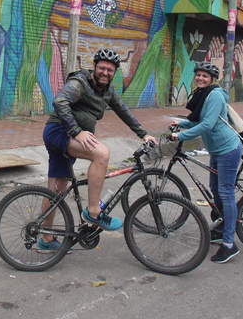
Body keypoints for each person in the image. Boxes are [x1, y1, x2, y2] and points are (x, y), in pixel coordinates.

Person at [39, 48, 157, 251]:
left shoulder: (107, 89)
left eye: (110, 70)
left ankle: (45, 238)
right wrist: (76, 131)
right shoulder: (81, 82)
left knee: (57, 190)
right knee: (101, 153)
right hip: (60, 132)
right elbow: (60, 101)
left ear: (115, 72)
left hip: (69, 135)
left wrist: (143, 134)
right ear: (94, 67)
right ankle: (93, 211)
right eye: (102, 68)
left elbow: (123, 110)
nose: (105, 73)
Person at [170, 61, 243, 264]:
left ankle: (229, 244)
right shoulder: (204, 94)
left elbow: (207, 124)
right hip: (217, 151)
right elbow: (197, 119)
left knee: (226, 193)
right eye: (198, 75)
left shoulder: (216, 95)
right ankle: (221, 228)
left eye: (205, 76)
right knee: (215, 188)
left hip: (228, 149)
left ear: (212, 79)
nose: (201, 78)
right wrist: (181, 123)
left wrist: (181, 136)